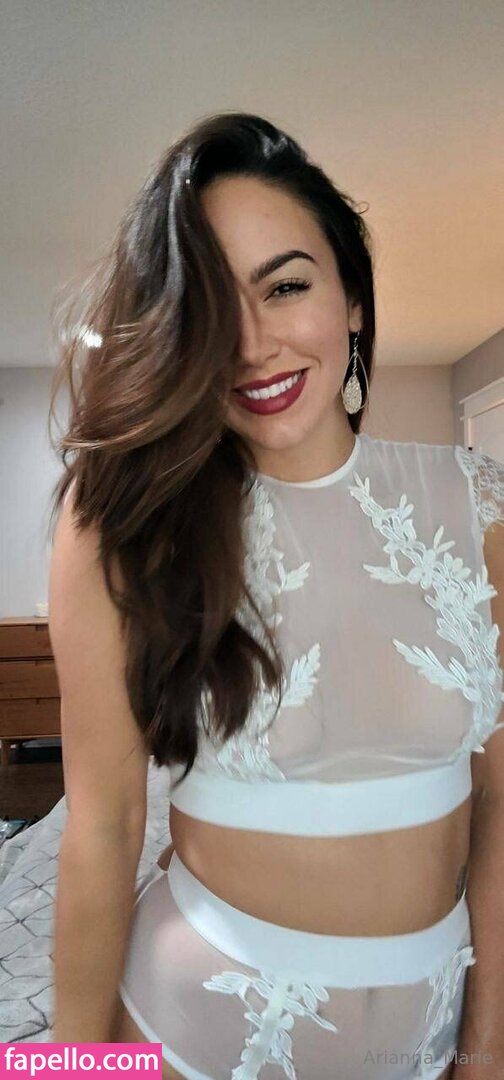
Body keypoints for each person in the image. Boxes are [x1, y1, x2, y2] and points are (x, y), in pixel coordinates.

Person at [47, 112, 504, 1080]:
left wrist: (487, 1048)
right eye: (210, 309)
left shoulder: (480, 508)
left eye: (286, 285)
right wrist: (68, 1071)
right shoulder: (121, 525)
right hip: (189, 1037)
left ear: (352, 299)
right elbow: (103, 833)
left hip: (426, 1046)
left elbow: (502, 802)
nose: (250, 345)